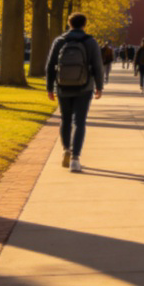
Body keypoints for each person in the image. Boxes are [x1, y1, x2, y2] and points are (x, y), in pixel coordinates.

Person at [45, 12, 105, 172]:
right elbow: (98, 66)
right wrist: (99, 86)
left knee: (65, 119)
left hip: (63, 86)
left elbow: (50, 65)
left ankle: (66, 149)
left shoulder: (59, 41)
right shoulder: (90, 41)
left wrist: (50, 88)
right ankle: (75, 158)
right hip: (84, 87)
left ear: (69, 24)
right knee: (79, 121)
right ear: (84, 24)